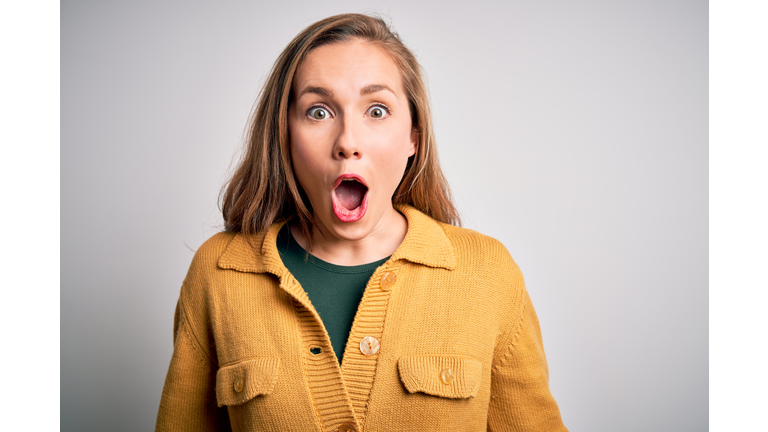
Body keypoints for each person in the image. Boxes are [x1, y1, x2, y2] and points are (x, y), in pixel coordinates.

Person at [155, 13, 567, 432]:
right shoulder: (219, 273)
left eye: (376, 110)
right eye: (318, 112)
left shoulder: (487, 272)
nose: (348, 142)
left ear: (413, 138)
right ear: (284, 136)